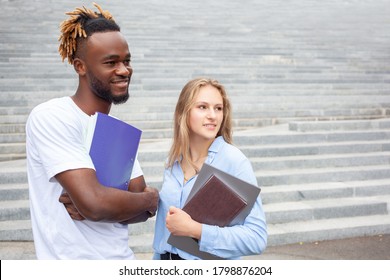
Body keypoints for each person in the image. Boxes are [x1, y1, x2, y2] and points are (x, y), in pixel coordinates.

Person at [25, 3, 159, 260]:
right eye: (111, 62)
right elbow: (96, 204)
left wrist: (138, 202)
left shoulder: (113, 130)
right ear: (80, 66)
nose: (124, 70)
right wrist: (149, 199)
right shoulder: (53, 116)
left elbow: (140, 212)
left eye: (126, 61)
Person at [152, 78, 267, 260]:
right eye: (203, 107)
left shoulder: (233, 161)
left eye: (218, 108)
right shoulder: (173, 161)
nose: (213, 115)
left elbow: (256, 238)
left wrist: (196, 230)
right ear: (184, 112)